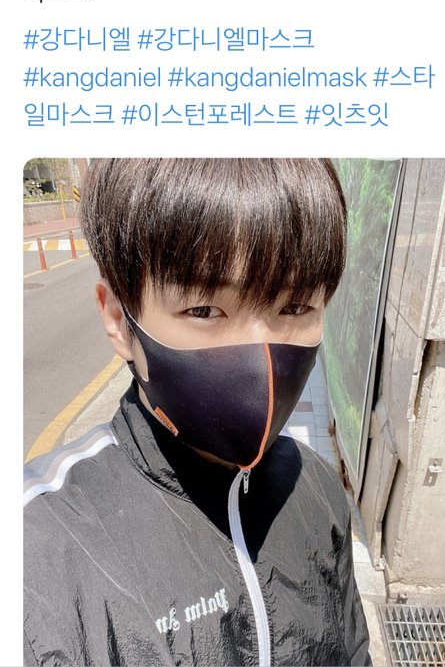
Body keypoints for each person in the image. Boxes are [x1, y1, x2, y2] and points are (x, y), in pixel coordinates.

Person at [24, 158, 371, 667]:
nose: (260, 360)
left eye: (294, 307)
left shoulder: (316, 487)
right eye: (205, 310)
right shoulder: (38, 550)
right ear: (119, 319)